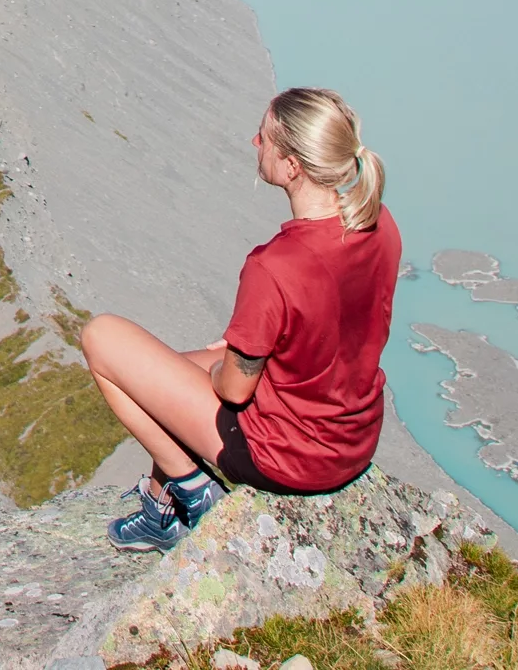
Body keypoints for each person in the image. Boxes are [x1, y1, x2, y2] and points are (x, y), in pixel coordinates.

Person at [76, 87, 399, 551]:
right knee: (164, 367)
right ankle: (159, 499)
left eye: (264, 138)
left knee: (102, 338)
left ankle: (190, 494)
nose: (254, 143)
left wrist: (221, 364)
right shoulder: (379, 225)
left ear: (293, 166)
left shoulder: (276, 265)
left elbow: (234, 390)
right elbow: (334, 324)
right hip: (353, 440)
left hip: (286, 457)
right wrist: (244, 348)